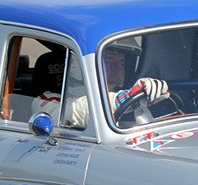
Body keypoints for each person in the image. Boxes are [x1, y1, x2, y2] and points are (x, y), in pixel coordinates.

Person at [31, 45, 168, 129]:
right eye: (108, 61)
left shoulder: (133, 99)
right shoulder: (46, 102)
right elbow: (79, 110)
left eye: (122, 64)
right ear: (78, 65)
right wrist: (124, 99)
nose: (117, 70)